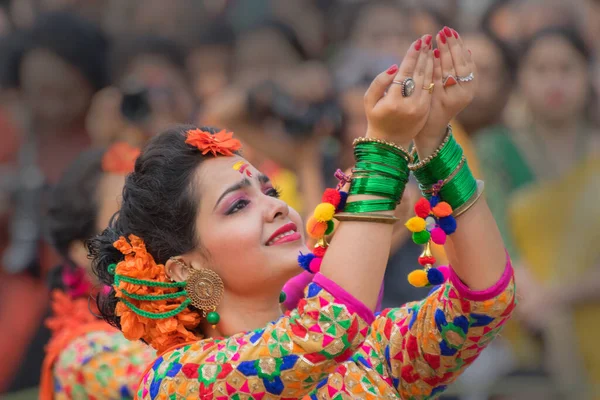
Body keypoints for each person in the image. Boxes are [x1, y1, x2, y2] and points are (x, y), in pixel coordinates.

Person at [89, 30, 516, 399]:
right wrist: (382, 149)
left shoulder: (363, 354)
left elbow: (482, 304)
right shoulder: (178, 380)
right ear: (185, 269)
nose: (275, 206)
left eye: (269, 190)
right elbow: (325, 331)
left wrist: (435, 141)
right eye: (238, 205)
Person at [480, 26, 599, 397]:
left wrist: (561, 295)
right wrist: (538, 301)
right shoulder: (495, 150)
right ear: (520, 79)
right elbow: (495, 235)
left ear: (588, 75)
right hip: (523, 325)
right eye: (541, 69)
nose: (554, 82)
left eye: (567, 69)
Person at [40, 143, 156, 399]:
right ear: (84, 251)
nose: (152, 228)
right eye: (128, 216)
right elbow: (191, 383)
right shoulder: (87, 354)